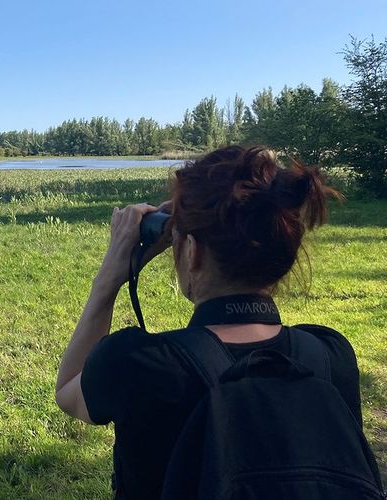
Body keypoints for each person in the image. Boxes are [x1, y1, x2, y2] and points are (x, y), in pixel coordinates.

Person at [54, 145, 367, 499]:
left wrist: (110, 275)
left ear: (193, 251)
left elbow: (68, 392)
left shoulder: (139, 362)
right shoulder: (328, 355)